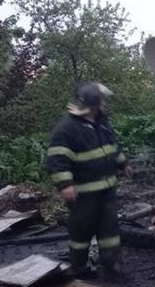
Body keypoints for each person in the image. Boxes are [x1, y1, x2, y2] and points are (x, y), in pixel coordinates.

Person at [46, 82, 132, 276]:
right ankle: (80, 266)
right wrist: (65, 185)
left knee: (110, 230)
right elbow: (57, 159)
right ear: (94, 104)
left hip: (107, 190)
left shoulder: (102, 123)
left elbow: (112, 147)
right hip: (84, 195)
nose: (104, 104)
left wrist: (123, 164)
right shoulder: (67, 128)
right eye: (102, 101)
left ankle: (111, 265)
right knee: (81, 232)